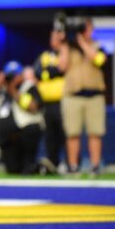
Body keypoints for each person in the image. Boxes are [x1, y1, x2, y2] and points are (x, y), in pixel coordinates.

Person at [58, 18, 107, 176]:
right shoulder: (67, 48)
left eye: (86, 28)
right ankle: (73, 166)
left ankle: (95, 166)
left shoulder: (97, 46)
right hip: (73, 96)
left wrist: (81, 42)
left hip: (94, 95)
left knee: (95, 132)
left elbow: (99, 60)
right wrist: (66, 44)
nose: (85, 32)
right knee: (72, 133)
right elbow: (61, 67)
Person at [0, 62, 44, 175]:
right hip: (6, 137)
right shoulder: (1, 88)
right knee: (12, 170)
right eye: (9, 75)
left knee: (27, 169)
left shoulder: (28, 86)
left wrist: (13, 90)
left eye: (15, 75)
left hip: (24, 132)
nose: (12, 78)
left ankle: (33, 165)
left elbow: (33, 107)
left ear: (21, 75)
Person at [33, 27, 66, 172]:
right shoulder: (45, 56)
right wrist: (53, 72)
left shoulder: (66, 53)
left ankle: (70, 163)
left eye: (57, 37)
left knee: (66, 133)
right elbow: (38, 72)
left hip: (63, 101)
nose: (55, 41)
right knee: (50, 136)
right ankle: (53, 164)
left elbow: (62, 69)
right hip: (47, 103)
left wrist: (50, 72)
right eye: (53, 37)